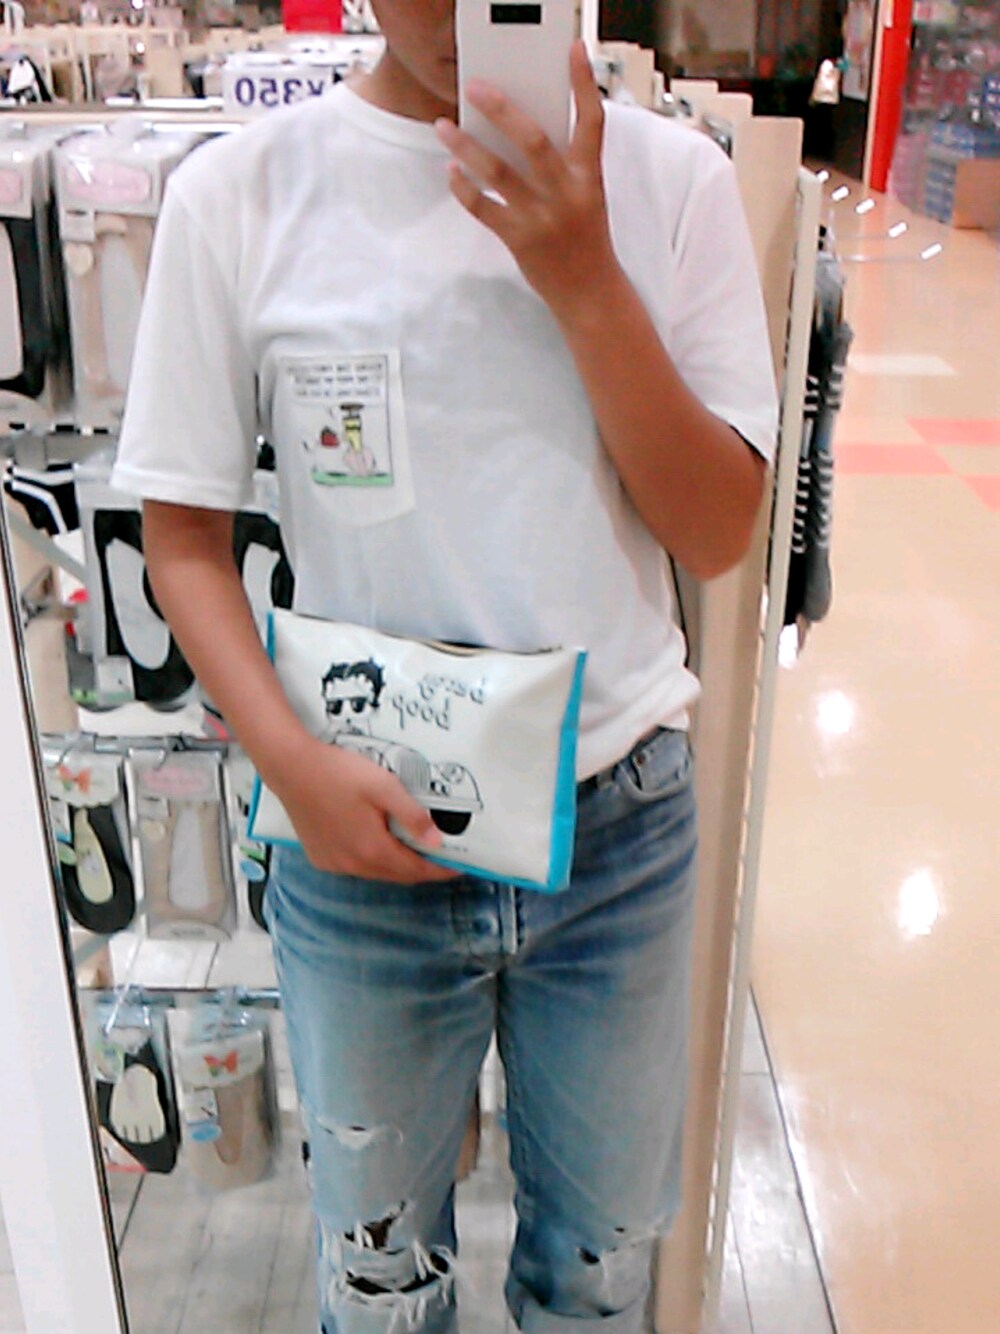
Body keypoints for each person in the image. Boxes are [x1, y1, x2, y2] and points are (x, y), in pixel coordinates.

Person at [113, 2, 778, 1329]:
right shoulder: (240, 196)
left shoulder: (672, 182)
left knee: (598, 1273)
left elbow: (716, 532)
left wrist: (583, 277)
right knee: (376, 1281)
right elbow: (181, 539)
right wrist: (289, 764)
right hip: (358, 831)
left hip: (615, 829)